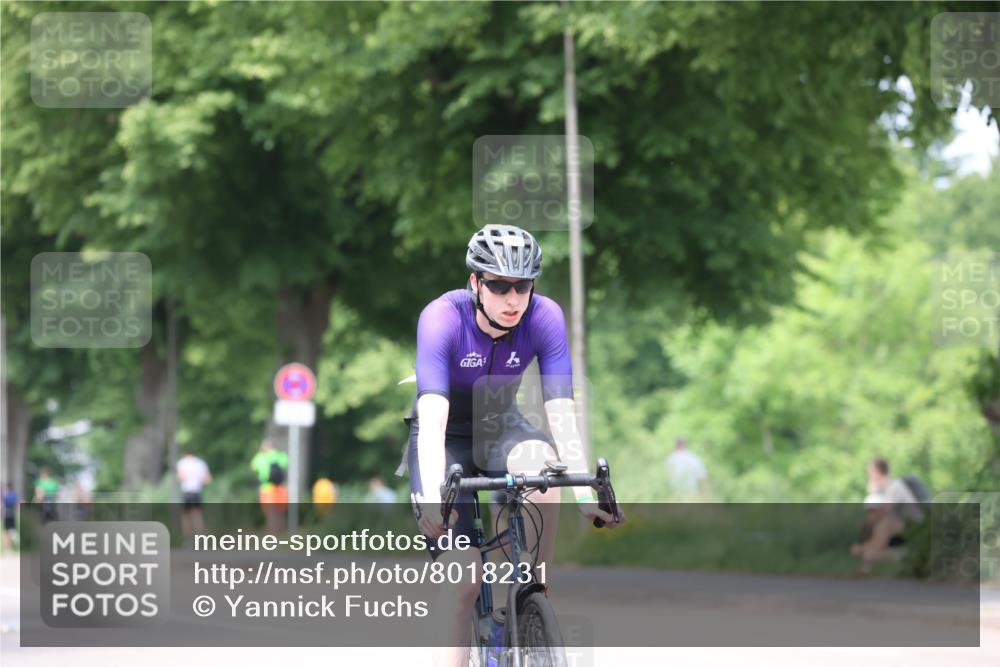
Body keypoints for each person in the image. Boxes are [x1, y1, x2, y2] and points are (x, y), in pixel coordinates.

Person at [405, 224, 623, 667]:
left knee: (545, 472)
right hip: (442, 439)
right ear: (475, 283)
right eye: (499, 285)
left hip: (502, 425)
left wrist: (585, 494)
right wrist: (430, 496)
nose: (512, 299)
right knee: (462, 581)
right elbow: (431, 421)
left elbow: (561, 412)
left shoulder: (544, 317)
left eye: (521, 286)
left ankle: (531, 592)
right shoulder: (442, 318)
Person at [850, 457, 924, 571]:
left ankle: (869, 556)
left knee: (885, 522)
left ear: (877, 472)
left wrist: (873, 492)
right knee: (873, 523)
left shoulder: (895, 486)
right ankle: (871, 556)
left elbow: (886, 512)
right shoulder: (884, 489)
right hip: (900, 526)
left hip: (914, 527)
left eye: (870, 472)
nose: (869, 475)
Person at [251, 440, 288, 534]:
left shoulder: (260, 457)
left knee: (269, 511)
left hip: (266, 487)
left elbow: (253, 467)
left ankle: (272, 533)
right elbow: (286, 462)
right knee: (280, 511)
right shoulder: (278, 455)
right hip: (279, 487)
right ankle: (281, 532)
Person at [176, 448, 212, 538]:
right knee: (197, 515)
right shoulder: (201, 463)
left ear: (185, 454)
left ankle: (188, 537)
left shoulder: (182, 463)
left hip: (187, 491)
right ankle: (200, 537)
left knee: (185, 516)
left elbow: (181, 477)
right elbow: (208, 480)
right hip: (197, 492)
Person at [2, 485, 19, 551]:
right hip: (13, 515)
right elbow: (17, 505)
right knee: (12, 530)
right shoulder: (14, 496)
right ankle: (11, 546)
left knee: (6, 532)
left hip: (6, 515)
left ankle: (7, 547)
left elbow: (2, 505)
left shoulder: (5, 496)